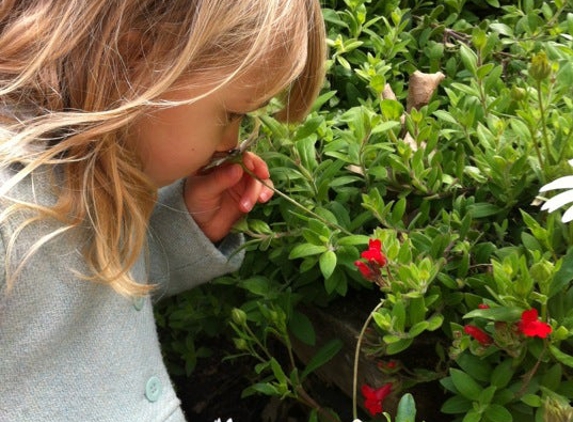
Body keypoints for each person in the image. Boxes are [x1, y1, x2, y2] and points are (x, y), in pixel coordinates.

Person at [0, 0, 326, 421]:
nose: (232, 144)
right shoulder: (11, 208)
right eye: (230, 115)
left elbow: (89, 299)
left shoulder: (94, 164)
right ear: (136, 60)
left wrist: (181, 226)